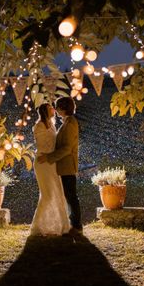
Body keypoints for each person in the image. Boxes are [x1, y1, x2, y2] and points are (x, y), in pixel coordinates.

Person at [37, 96, 82, 235]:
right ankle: (73, 223)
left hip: (67, 165)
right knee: (69, 196)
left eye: (56, 107)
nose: (55, 110)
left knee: (71, 196)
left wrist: (49, 157)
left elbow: (67, 148)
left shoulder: (70, 124)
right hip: (64, 165)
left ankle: (77, 226)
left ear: (62, 108)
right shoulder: (67, 122)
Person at [29, 103, 71, 236]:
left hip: (51, 162)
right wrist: (48, 156)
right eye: (51, 108)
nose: (54, 109)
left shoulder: (51, 124)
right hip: (43, 162)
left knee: (58, 191)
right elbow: (43, 145)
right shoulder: (39, 125)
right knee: (47, 194)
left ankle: (59, 225)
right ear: (46, 111)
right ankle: (39, 226)